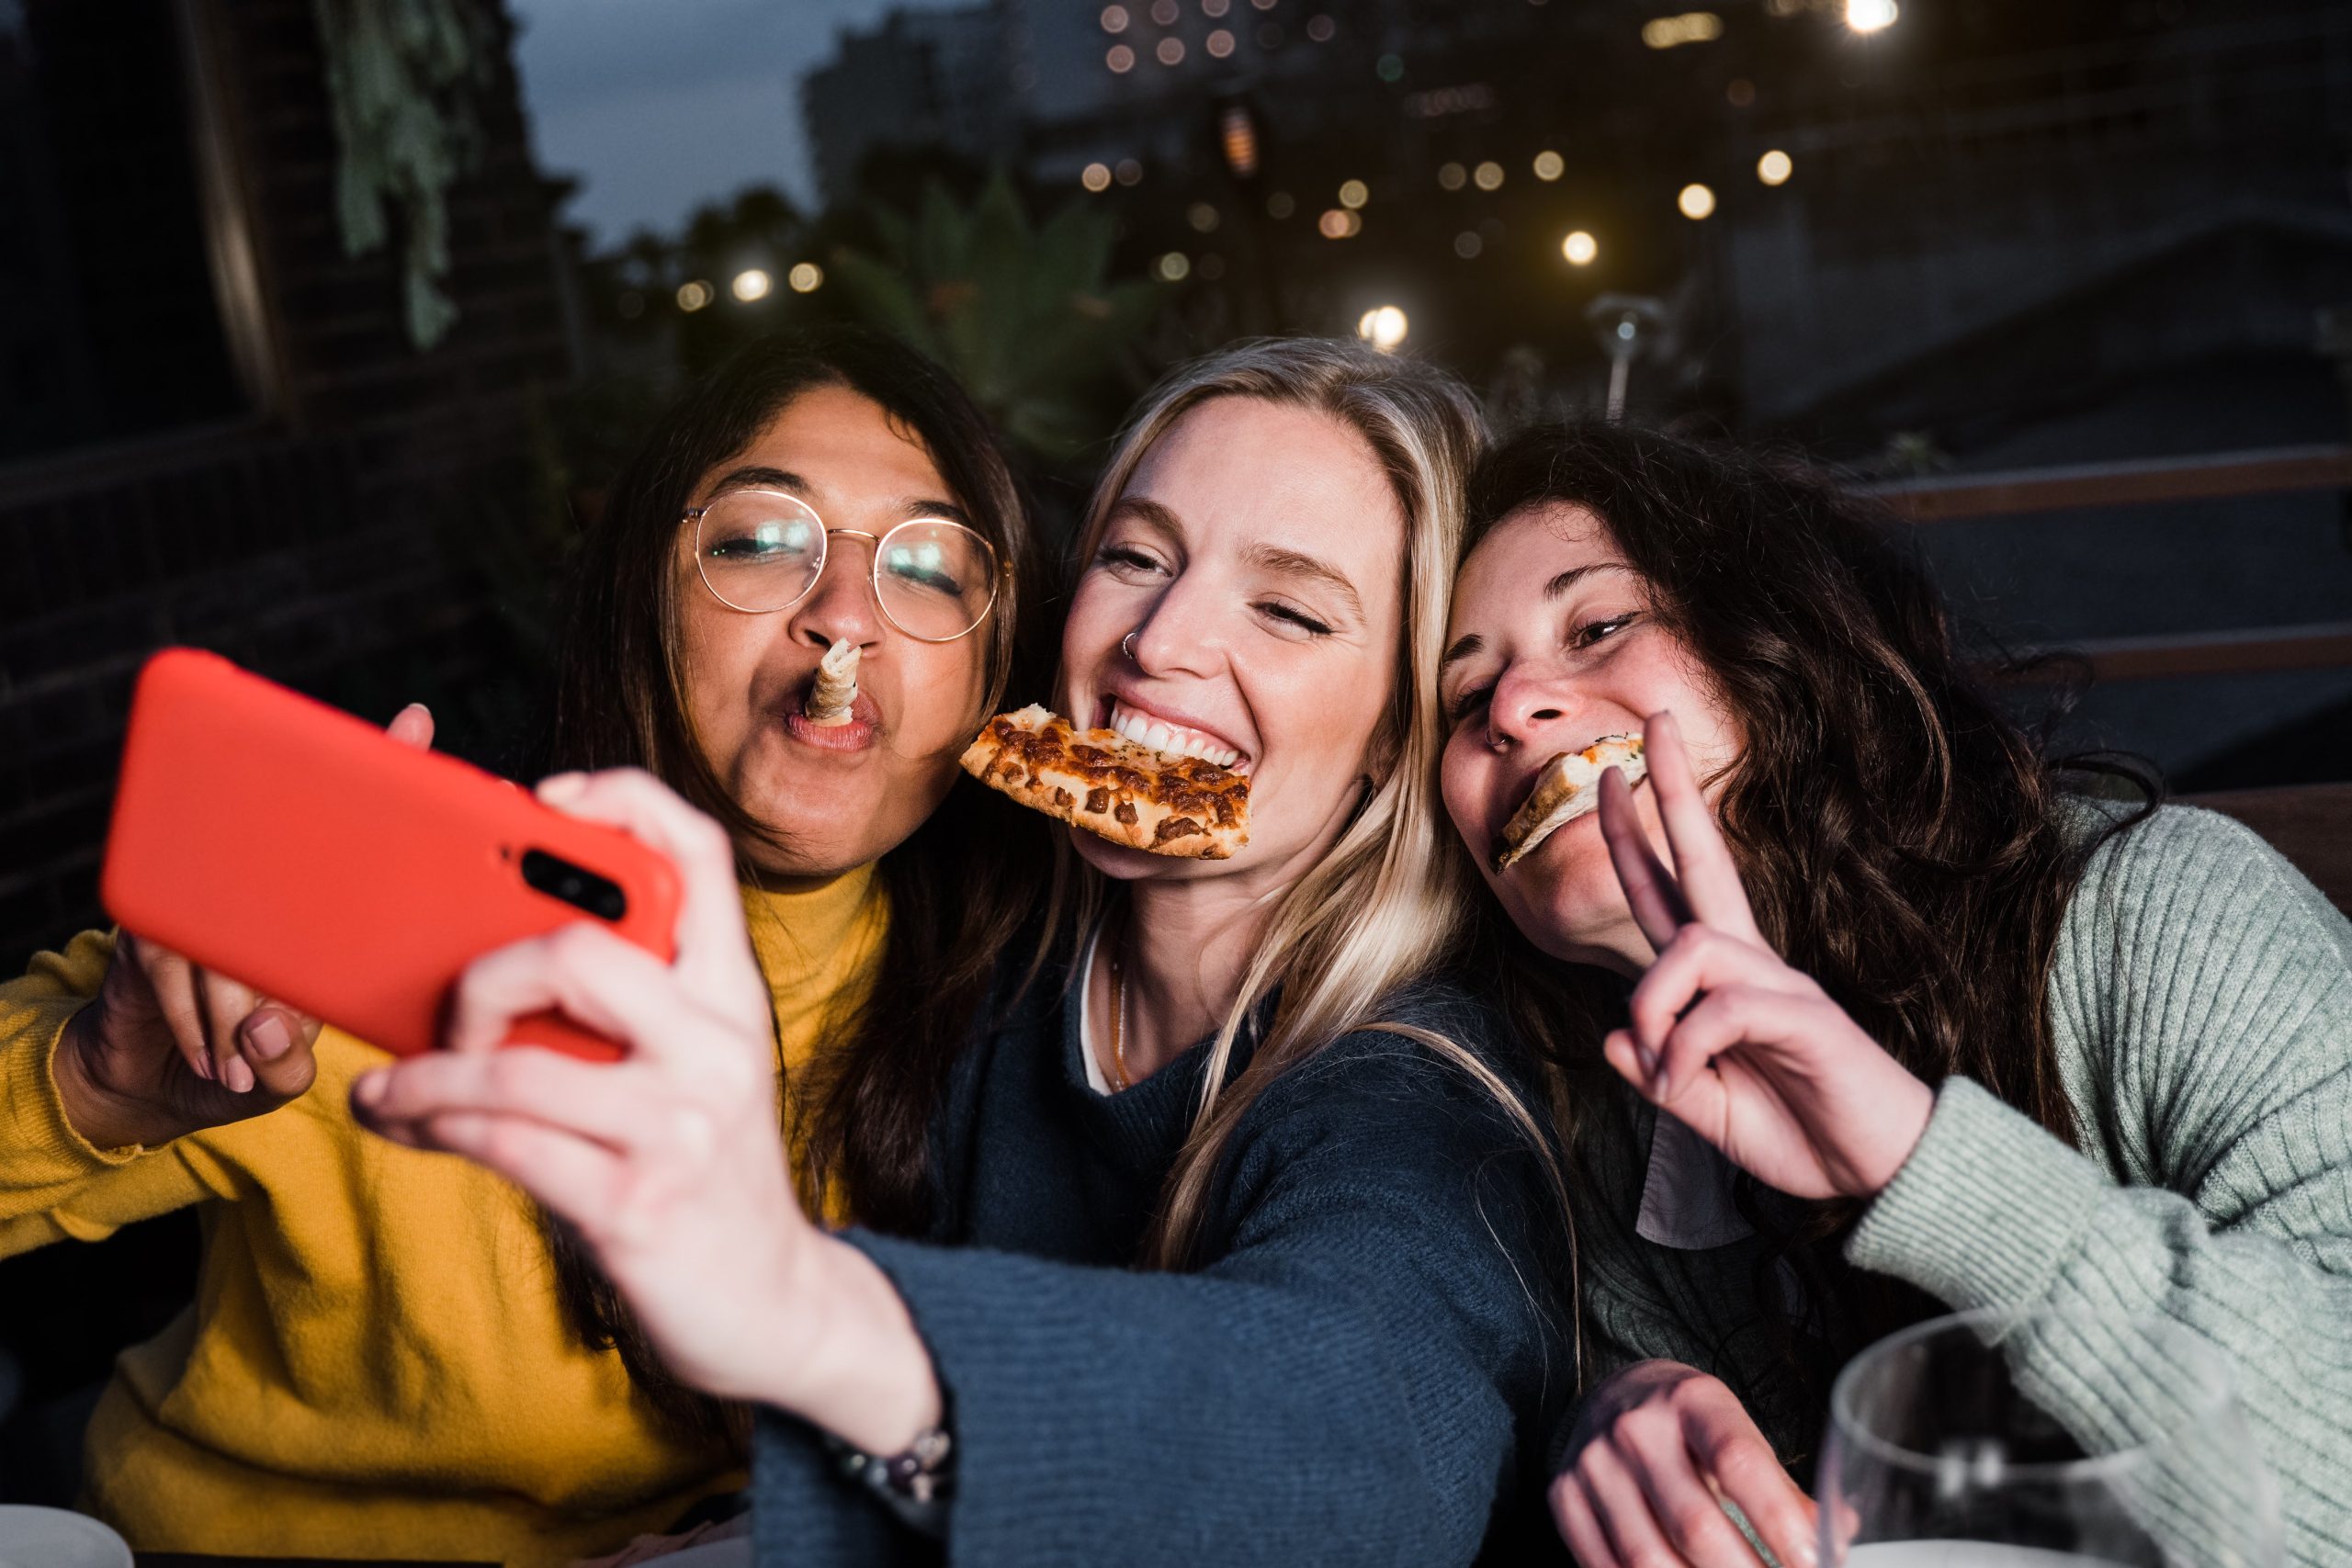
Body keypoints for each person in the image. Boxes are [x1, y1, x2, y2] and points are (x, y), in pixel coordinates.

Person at [356, 338, 1577, 1566]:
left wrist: (804, 1304)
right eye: (1137, 554)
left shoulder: (1414, 1098)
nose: (1161, 641)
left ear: (1391, 734)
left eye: (1291, 608)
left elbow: (1363, 1443)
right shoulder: (982, 950)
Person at [0, 327, 1050, 1565]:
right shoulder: (371, 896)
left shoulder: (1022, 996)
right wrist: (99, 1077)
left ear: (992, 679)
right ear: (641, 601)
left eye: (926, 567)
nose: (841, 620)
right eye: (763, 542)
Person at [1433, 420, 2352, 1568]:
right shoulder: (1592, 1134)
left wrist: (1922, 1164)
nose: (1512, 706)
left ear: (1773, 640)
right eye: (1461, 699)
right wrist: (1611, 1413)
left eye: (1600, 626)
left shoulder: (2164, 920)